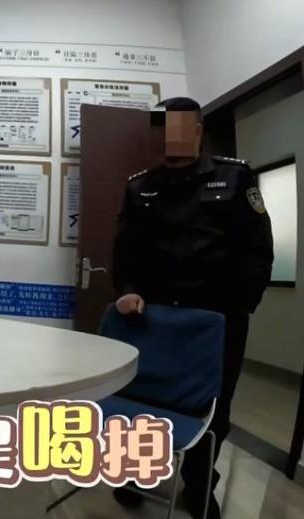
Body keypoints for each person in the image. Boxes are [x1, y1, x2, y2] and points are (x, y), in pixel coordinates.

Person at [111, 97, 273, 519]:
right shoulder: (140, 186)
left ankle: (200, 485)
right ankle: (135, 473)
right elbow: (124, 253)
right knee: (142, 398)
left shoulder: (234, 177)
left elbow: (258, 250)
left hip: (215, 323)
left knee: (212, 409)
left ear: (198, 131)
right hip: (152, 320)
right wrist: (126, 289)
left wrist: (238, 308)